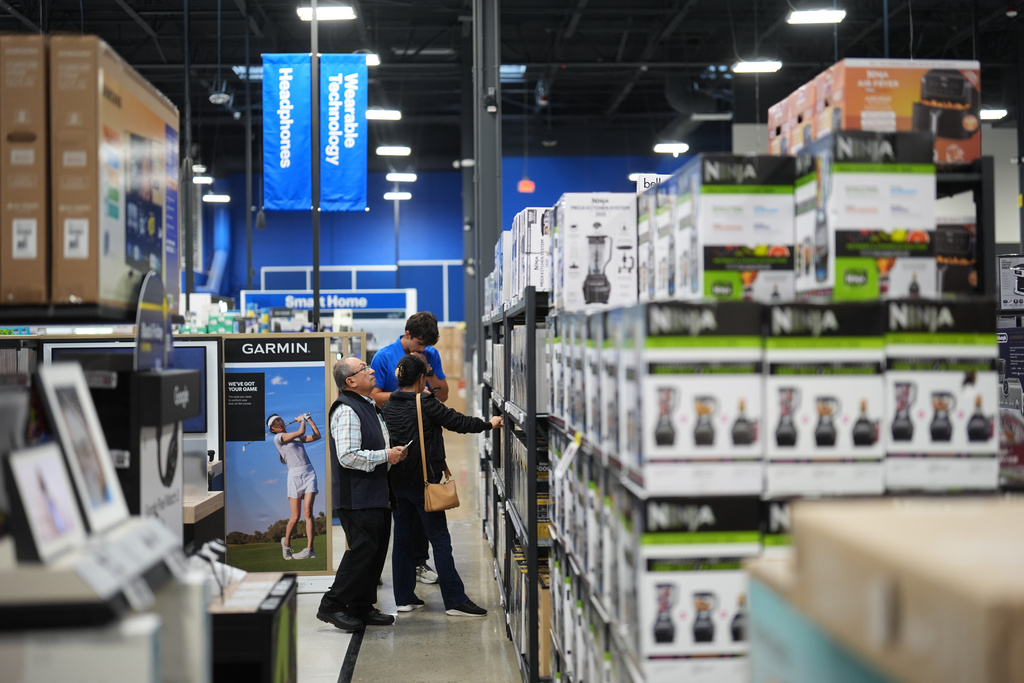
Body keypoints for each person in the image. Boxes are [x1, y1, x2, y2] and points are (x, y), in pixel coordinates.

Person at [381, 354, 502, 616]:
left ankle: (403, 599)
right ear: (421, 378)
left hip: (397, 483)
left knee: (402, 540)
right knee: (440, 540)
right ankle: (455, 601)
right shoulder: (425, 402)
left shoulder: (388, 405)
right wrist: (488, 424)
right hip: (426, 484)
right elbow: (457, 421)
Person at [317, 357, 409, 634]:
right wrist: (386, 455)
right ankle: (331, 605)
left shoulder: (367, 405)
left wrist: (391, 456)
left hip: (376, 492)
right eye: (364, 369)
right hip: (356, 497)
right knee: (362, 551)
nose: (371, 371)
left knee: (375, 550)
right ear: (351, 381)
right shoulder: (346, 410)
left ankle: (361, 605)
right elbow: (347, 456)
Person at [370, 311, 448, 584]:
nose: (423, 349)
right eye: (419, 344)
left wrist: (427, 369)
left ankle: (420, 562)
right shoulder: (383, 357)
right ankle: (392, 567)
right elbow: (374, 396)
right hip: (392, 439)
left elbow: (444, 392)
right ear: (407, 335)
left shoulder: (430, 355)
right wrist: (406, 396)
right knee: (399, 510)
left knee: (424, 503)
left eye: (427, 345)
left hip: (423, 440)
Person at [268, 412, 320, 560]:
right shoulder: (278, 438)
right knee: (295, 517)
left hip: (309, 473)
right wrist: (301, 421)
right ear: (273, 430)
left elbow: (316, 436)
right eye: (275, 423)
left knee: (308, 512)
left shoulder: (295, 437)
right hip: (295, 477)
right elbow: (301, 431)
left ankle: (310, 549)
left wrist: (309, 419)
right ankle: (286, 544)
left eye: (280, 420)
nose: (279, 422)